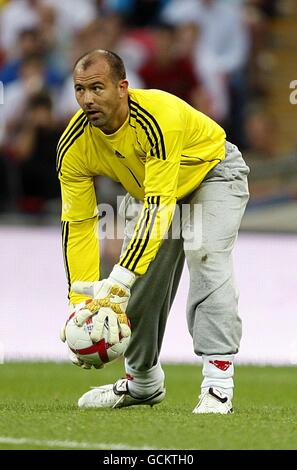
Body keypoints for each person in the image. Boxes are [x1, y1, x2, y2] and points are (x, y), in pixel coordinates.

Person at [58, 49, 249, 414]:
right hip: (152, 192)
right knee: (134, 287)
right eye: (80, 90)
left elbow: (161, 205)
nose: (87, 99)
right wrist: (81, 305)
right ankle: (142, 383)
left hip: (214, 173)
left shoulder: (156, 118)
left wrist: (118, 280)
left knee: (204, 254)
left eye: (97, 88)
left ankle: (218, 383)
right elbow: (79, 224)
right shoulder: (73, 144)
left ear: (123, 88)